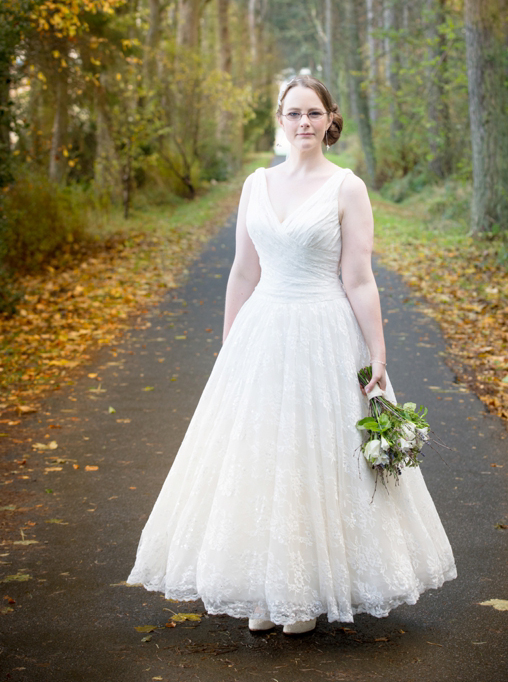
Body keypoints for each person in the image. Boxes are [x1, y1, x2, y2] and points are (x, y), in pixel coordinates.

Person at [126, 74, 456, 635]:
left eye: (313, 113)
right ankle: (268, 586)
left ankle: (304, 596)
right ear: (279, 121)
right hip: (263, 331)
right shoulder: (256, 184)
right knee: (260, 457)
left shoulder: (347, 187)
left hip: (325, 330)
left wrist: (378, 353)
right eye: (293, 113)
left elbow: (359, 279)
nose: (303, 123)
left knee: (315, 457)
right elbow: (242, 270)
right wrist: (230, 346)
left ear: (330, 120)